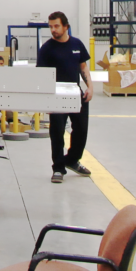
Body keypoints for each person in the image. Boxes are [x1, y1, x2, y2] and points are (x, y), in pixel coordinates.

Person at [35, 10, 91, 183]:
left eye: (57, 26)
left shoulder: (77, 44)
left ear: (66, 26)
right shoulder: (46, 49)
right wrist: (45, 98)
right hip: (56, 95)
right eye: (51, 26)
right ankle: (58, 168)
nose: (53, 30)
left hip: (76, 92)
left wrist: (89, 86)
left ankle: (72, 160)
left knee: (81, 129)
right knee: (57, 132)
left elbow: (83, 66)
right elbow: (41, 75)